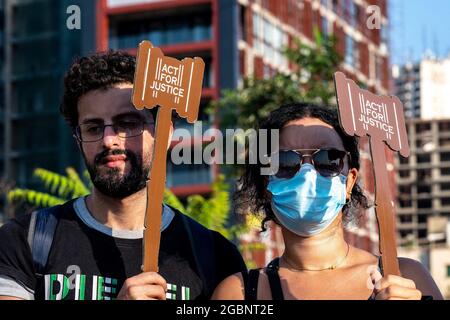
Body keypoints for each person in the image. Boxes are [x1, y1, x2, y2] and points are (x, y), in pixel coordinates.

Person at [0, 50, 246, 300]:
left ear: (164, 134)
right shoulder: (25, 240)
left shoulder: (215, 258)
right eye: (93, 127)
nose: (109, 140)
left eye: (128, 124)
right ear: (78, 140)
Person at [212, 103, 443, 300]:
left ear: (349, 182)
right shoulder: (239, 294)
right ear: (265, 185)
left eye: (328, 159)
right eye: (285, 162)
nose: (307, 174)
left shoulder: (405, 277)